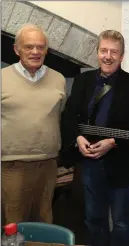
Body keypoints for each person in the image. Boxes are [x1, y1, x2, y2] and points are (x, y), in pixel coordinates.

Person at [60, 30, 129, 246]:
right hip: (89, 164)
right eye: (103, 50)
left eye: (114, 52)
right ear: (97, 52)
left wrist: (113, 142)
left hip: (122, 166)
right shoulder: (82, 81)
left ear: (122, 56)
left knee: (121, 222)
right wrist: (77, 138)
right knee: (94, 219)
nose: (108, 56)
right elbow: (69, 116)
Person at [1, 23, 66, 224]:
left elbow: (60, 115)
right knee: (14, 223)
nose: (35, 51)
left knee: (44, 219)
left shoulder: (58, 79)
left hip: (48, 164)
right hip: (11, 165)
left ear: (46, 50)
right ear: (16, 49)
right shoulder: (2, 78)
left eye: (40, 47)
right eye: (29, 46)